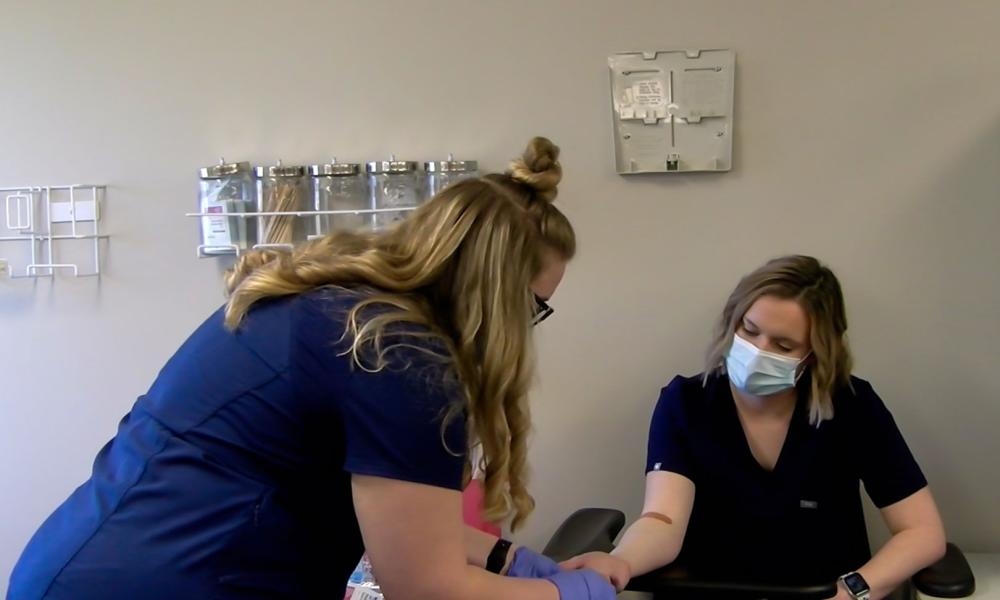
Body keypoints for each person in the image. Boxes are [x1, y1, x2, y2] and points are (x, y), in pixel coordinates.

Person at [8, 137, 615, 600]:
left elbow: (407, 524)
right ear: (494, 292)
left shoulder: (342, 309)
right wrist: (568, 593)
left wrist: (513, 563)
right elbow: (427, 587)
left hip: (89, 564)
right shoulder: (397, 356)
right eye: (535, 306)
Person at [563, 255, 947, 600]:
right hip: (708, 590)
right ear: (732, 322)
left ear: (815, 353)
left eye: (782, 345)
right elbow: (663, 520)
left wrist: (852, 592)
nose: (759, 350)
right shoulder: (686, 402)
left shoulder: (850, 406)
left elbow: (921, 531)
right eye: (749, 330)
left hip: (821, 593)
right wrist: (623, 561)